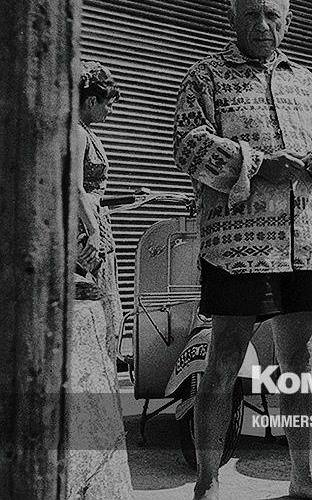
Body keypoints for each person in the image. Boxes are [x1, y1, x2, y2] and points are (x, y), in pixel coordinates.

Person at [172, 0, 312, 500]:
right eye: (252, 15)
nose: (263, 25)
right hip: (237, 248)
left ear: (287, 22)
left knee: (301, 362)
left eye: (273, 16)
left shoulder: (311, 85)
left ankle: (303, 477)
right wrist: (255, 163)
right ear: (233, 20)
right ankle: (207, 480)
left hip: (306, 242)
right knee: (224, 361)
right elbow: (187, 146)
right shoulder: (205, 77)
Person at [66, 60, 134, 500]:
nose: (110, 112)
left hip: (94, 232)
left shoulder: (84, 132)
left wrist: (126, 200)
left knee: (111, 322)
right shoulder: (75, 132)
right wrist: (91, 236)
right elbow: (76, 190)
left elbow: (92, 194)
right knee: (103, 323)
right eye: (108, 104)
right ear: (91, 100)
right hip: (87, 241)